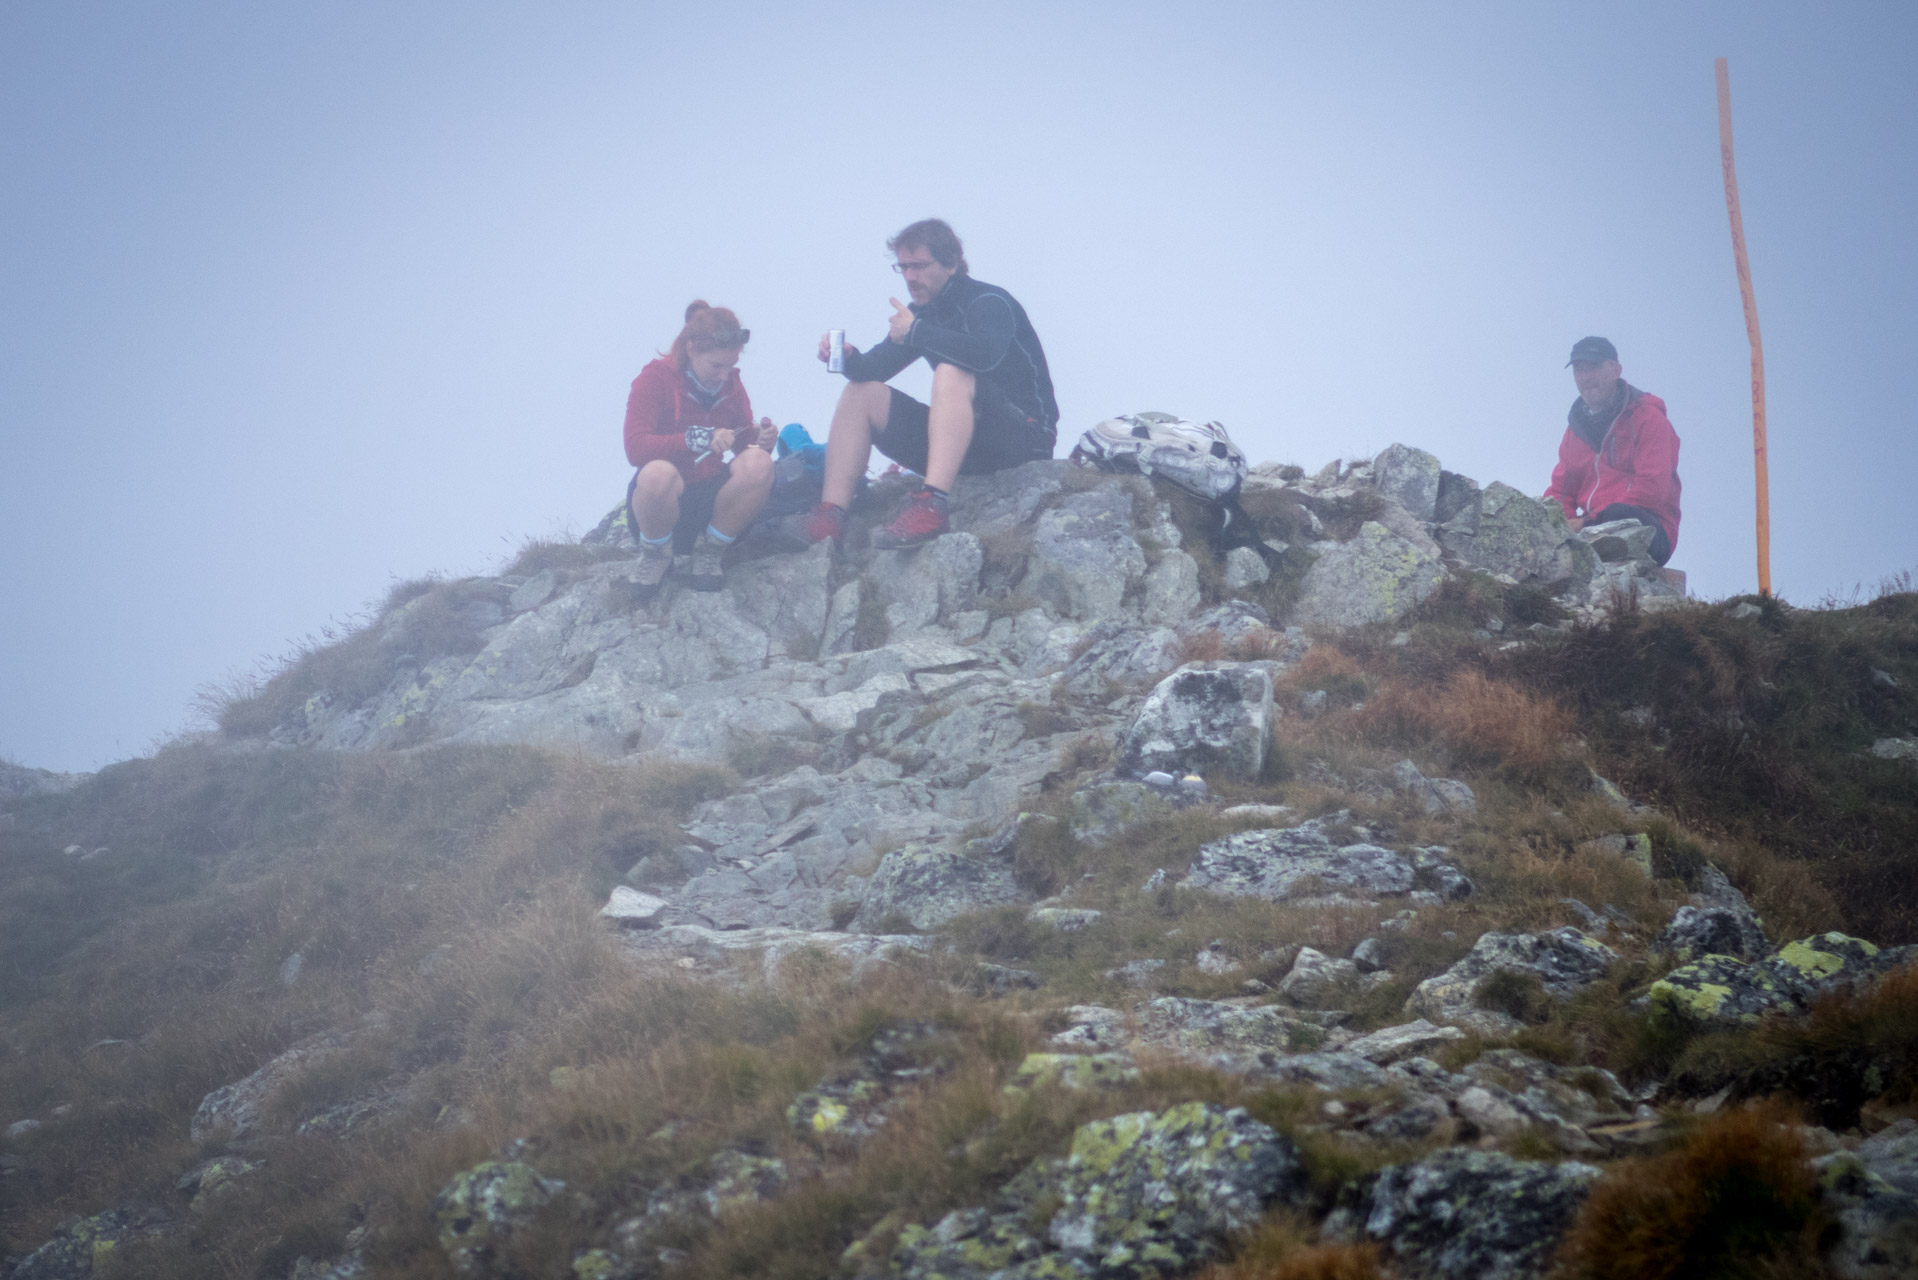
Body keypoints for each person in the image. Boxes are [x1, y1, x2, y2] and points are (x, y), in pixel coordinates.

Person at [775, 218, 1059, 551]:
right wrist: (849, 358)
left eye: (920, 266)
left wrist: (916, 332)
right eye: (904, 268)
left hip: (1023, 439)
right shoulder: (921, 315)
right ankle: (829, 517)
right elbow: (874, 369)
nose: (910, 277)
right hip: (966, 447)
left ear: (951, 263)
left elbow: (985, 356)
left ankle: (931, 506)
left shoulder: (988, 301)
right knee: (861, 393)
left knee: (951, 372)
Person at [622, 301, 776, 599]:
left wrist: (762, 440)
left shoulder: (731, 384)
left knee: (759, 463)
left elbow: (744, 443)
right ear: (691, 349)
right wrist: (696, 439)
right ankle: (655, 554)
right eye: (716, 366)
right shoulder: (653, 380)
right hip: (660, 508)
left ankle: (711, 552)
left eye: (729, 366)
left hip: (711, 509)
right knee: (656, 473)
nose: (723, 375)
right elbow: (635, 448)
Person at [1543, 336, 1682, 565]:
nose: (1585, 377)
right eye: (1579, 370)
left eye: (1594, 367)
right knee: (1538, 514)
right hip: (1589, 529)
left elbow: (1652, 490)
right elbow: (1562, 490)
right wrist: (1557, 521)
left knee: (1619, 514)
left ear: (1616, 370)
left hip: (1648, 529)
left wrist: (1586, 522)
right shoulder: (1576, 429)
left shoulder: (1648, 418)